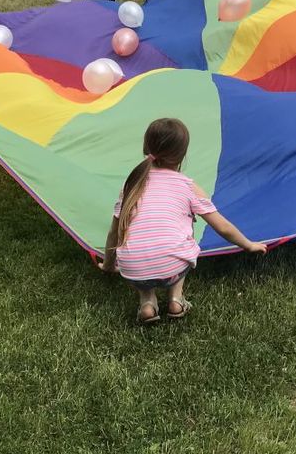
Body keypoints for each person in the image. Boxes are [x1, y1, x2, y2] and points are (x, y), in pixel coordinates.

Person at [99, 118, 267, 323]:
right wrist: (248, 245)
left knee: (142, 248)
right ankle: (176, 300)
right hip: (173, 267)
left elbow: (114, 233)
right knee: (185, 232)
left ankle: (147, 302)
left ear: (146, 148)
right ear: (182, 155)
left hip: (133, 269)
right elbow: (221, 226)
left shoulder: (131, 185)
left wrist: (109, 265)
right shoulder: (187, 186)